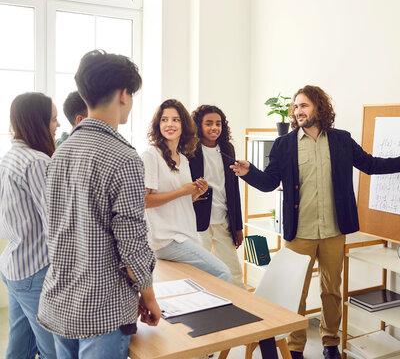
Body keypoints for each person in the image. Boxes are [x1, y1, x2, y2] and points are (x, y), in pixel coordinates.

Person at [231, 85, 400, 359]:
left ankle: (330, 344)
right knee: (295, 293)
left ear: (319, 107)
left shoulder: (341, 140)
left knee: (332, 291)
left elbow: (370, 164)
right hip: (299, 233)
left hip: (334, 231)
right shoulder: (284, 145)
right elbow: (269, 183)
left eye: (304, 105)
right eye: (296, 106)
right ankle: (295, 347)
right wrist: (249, 173)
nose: (298, 111)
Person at [37, 50, 161, 359]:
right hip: (102, 311)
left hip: (60, 302)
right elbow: (131, 244)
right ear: (123, 94)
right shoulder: (124, 158)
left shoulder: (60, 153)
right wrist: (149, 295)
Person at [142, 99, 231, 282]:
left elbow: (179, 202)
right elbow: (145, 201)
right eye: (164, 119)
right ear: (158, 125)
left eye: (175, 120)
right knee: (223, 273)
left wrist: (195, 194)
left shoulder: (183, 159)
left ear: (184, 125)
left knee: (198, 280)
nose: (169, 124)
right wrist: (182, 191)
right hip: (167, 239)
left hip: (185, 235)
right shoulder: (151, 156)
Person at [0, 92, 59, 359]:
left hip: (14, 266)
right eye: (54, 119)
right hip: (36, 272)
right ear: (38, 122)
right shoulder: (37, 162)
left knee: (21, 345)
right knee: (54, 352)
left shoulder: (10, 157)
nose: (58, 125)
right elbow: (55, 225)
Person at [189, 105, 245, 288]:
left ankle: (243, 308)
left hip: (224, 220)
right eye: (209, 123)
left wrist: (238, 226)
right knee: (200, 272)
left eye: (218, 123)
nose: (214, 127)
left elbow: (233, 190)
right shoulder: (190, 151)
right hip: (199, 222)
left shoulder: (227, 148)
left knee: (233, 273)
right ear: (199, 125)